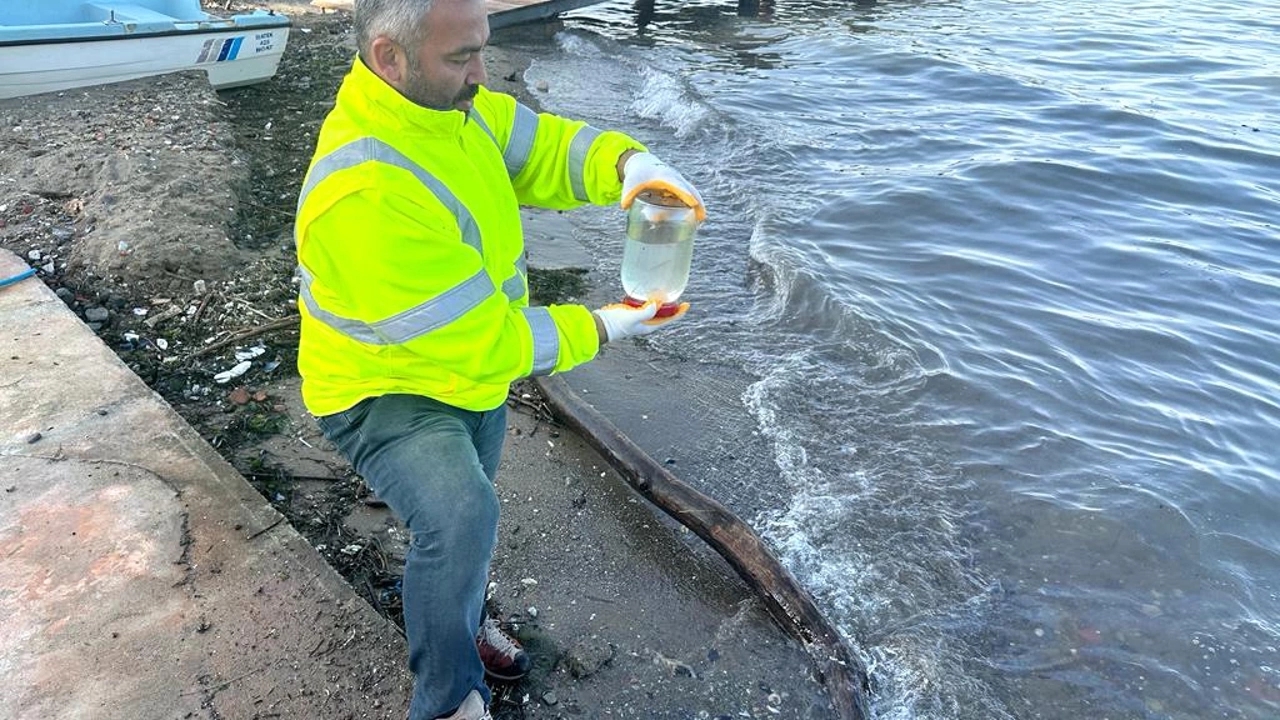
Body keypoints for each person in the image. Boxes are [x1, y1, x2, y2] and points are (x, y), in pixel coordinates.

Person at [293, 0, 705, 718]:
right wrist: (605, 325)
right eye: (462, 57)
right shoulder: (365, 188)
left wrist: (629, 165)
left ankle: (464, 615)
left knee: (470, 521)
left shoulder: (452, 106)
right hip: (383, 386)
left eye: (482, 49)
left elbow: (543, 149)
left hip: (466, 373)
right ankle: (449, 699)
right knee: (458, 514)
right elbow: (485, 339)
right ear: (391, 56)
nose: (483, 74)